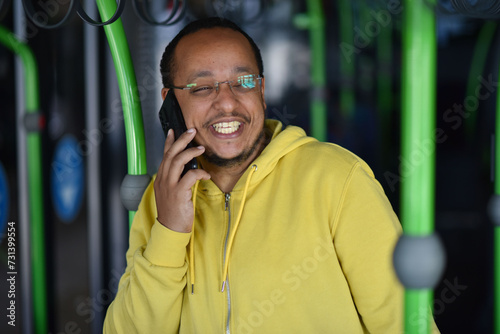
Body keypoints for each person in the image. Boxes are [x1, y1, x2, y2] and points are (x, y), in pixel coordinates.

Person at [104, 17, 418, 333]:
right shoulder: (160, 202)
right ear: (170, 102)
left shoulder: (337, 180)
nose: (227, 102)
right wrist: (169, 232)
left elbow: (404, 324)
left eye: (243, 82)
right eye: (201, 88)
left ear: (262, 91)